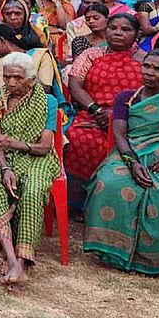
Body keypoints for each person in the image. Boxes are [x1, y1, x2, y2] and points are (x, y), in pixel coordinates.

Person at [83, 49, 159, 274]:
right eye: (147, 66)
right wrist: (132, 162)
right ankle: (111, 251)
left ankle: (151, 259)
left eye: (157, 69)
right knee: (110, 182)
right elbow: (119, 133)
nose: (149, 72)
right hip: (129, 152)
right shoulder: (127, 98)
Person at [0, 52, 61, 285]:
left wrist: (15, 143)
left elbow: (44, 146)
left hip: (36, 156)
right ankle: (10, 258)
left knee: (33, 188)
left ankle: (23, 260)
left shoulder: (47, 102)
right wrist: (4, 169)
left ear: (31, 79)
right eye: (7, 77)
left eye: (18, 78)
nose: (11, 82)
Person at [65, 13, 146, 209]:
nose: (118, 33)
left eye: (125, 29)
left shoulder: (146, 61)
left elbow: (148, 93)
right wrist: (96, 110)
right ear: (106, 30)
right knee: (77, 138)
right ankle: (78, 203)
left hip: (131, 119)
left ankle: (115, 203)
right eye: (113, 28)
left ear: (137, 34)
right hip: (92, 114)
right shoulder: (91, 55)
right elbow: (75, 85)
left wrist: (118, 115)